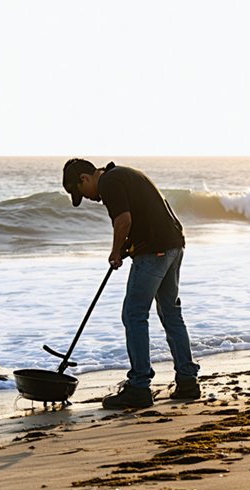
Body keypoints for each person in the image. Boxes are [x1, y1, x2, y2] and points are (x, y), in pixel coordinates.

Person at [62, 159, 200, 409]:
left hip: (155, 251)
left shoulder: (109, 183)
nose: (88, 198)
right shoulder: (123, 175)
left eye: (80, 192)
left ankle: (139, 387)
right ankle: (188, 381)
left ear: (84, 178)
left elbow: (123, 220)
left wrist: (115, 251)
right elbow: (144, 214)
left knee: (134, 314)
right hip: (173, 245)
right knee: (170, 312)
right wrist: (129, 245)